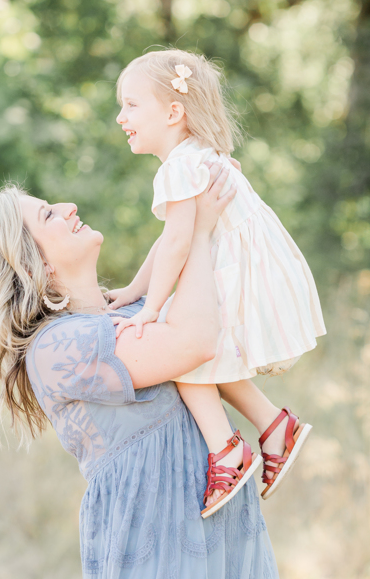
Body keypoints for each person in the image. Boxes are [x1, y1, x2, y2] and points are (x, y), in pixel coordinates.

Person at [0, 168, 293, 579]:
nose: (66, 206)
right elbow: (197, 339)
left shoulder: (132, 316)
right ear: (33, 265)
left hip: (226, 533)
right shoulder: (56, 350)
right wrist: (198, 233)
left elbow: (200, 301)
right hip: (158, 539)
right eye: (46, 215)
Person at [111, 49, 326, 517]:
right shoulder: (198, 156)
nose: (120, 116)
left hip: (230, 270)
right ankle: (273, 428)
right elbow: (173, 238)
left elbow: (177, 246)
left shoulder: (180, 167)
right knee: (210, 358)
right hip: (239, 266)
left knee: (183, 350)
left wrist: (150, 309)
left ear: (173, 112)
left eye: (131, 105)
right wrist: (133, 291)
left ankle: (227, 450)